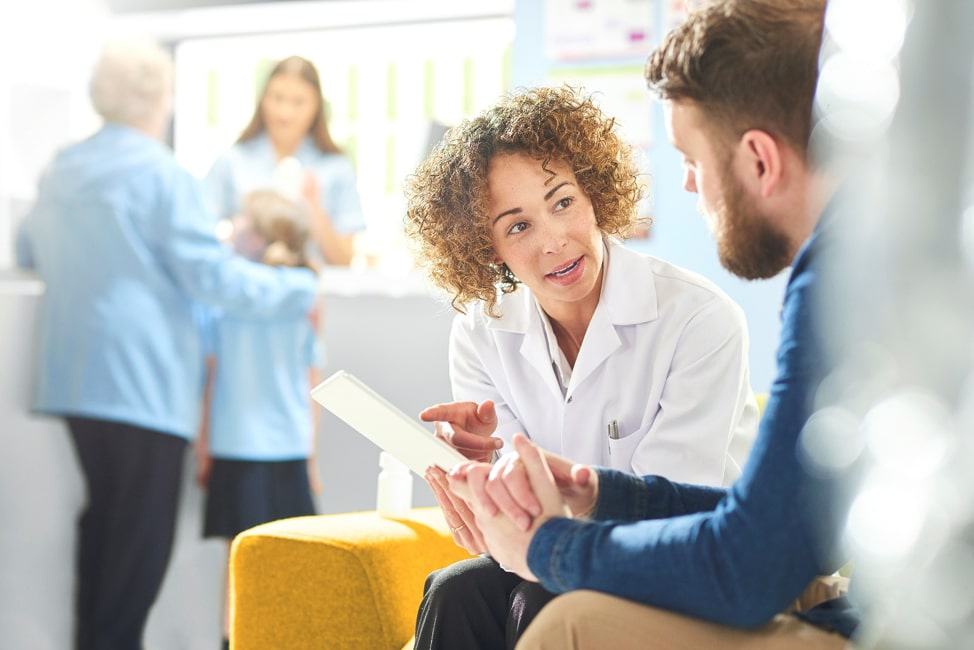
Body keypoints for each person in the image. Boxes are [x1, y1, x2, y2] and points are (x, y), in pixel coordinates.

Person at [442, 1, 859, 649]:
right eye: (519, 224)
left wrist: (553, 545)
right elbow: (775, 520)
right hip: (776, 578)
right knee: (458, 593)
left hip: (820, 607)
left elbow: (746, 559)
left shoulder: (829, 289)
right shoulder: (855, 266)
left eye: (691, 159)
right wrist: (596, 493)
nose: (689, 186)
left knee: (561, 618)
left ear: (758, 159)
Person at [403, 85, 760, 650]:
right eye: (517, 226)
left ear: (594, 193)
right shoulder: (480, 331)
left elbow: (660, 511)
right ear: (487, 248)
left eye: (562, 202)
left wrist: (525, 514)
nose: (555, 240)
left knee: (545, 599)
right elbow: (509, 529)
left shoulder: (699, 318)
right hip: (557, 556)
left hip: (683, 563)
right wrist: (478, 484)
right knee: (454, 591)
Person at [14, 41, 319, 650]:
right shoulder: (162, 173)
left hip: (74, 382)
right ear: (158, 99)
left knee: (105, 529)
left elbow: (28, 251)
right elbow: (212, 276)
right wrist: (293, 288)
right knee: (138, 543)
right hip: (142, 385)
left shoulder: (62, 168)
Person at [196, 190, 324, 650]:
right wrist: (311, 459)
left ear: (263, 235)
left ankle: (232, 641)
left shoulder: (222, 296)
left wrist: (204, 447)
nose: (232, 227)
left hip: (234, 445)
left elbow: (211, 378)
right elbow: (312, 380)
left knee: (239, 565)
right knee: (288, 563)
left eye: (242, 223)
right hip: (289, 443)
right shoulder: (307, 291)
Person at [204, 56, 364, 266]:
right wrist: (236, 236)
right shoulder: (232, 161)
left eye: (298, 102)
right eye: (277, 98)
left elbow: (344, 260)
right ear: (263, 99)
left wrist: (314, 209)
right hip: (248, 288)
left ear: (317, 106)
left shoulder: (336, 167)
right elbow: (201, 237)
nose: (285, 113)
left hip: (313, 293)